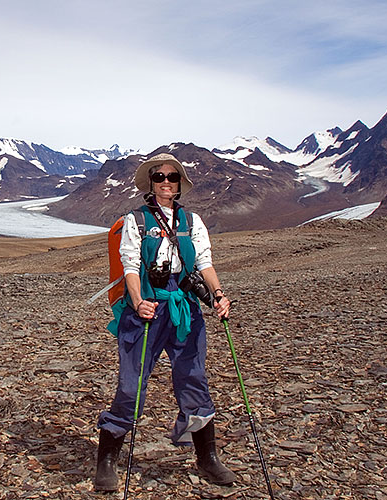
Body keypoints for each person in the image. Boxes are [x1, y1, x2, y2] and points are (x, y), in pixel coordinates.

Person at [94, 153, 235, 492]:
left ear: (180, 183)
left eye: (172, 177)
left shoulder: (191, 221)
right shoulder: (136, 220)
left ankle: (207, 457)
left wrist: (218, 295)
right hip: (147, 304)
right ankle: (107, 458)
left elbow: (204, 262)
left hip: (183, 306)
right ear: (151, 183)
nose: (166, 182)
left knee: (193, 378)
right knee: (132, 383)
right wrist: (139, 300)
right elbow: (129, 265)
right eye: (159, 177)